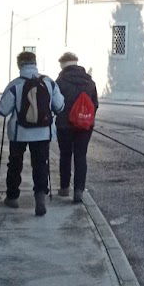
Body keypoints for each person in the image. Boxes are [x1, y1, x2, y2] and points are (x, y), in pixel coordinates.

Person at [0, 51, 64, 216]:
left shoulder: (15, 85)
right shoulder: (49, 83)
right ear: (35, 63)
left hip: (19, 133)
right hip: (43, 133)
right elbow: (60, 106)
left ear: (19, 65)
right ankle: (40, 198)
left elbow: (2, 110)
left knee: (15, 163)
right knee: (41, 164)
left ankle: (12, 197)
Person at [55, 51, 99, 204]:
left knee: (65, 155)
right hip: (85, 126)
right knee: (81, 156)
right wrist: (85, 118)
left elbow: (56, 104)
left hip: (64, 125)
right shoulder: (90, 82)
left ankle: (64, 188)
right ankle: (79, 191)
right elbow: (95, 104)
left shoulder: (60, 81)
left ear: (63, 65)